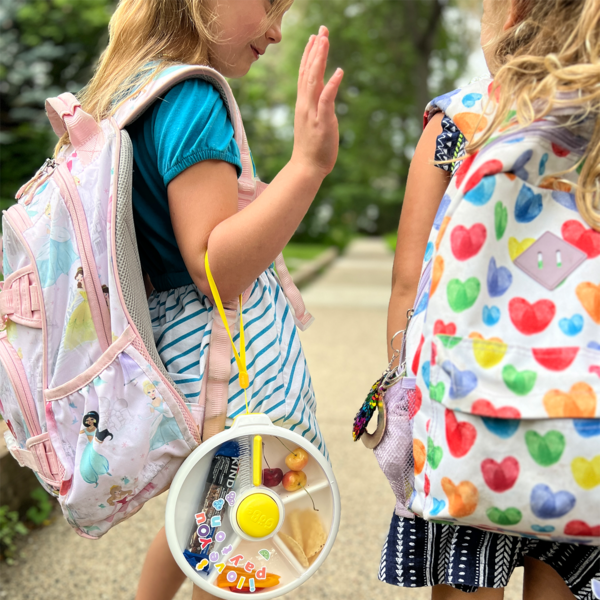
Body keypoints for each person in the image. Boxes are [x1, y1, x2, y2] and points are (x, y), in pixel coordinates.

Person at [59, 1, 343, 598]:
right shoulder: (192, 98)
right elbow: (215, 266)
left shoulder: (132, 91)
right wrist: (308, 167)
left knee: (207, 504)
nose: (276, 29)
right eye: (269, 4)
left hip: (173, 345)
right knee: (245, 526)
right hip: (221, 356)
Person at [384, 0, 600, 598]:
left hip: (467, 414)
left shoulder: (457, 123)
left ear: (510, 17)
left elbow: (409, 282)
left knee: (465, 579)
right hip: (581, 419)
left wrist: (406, 393)